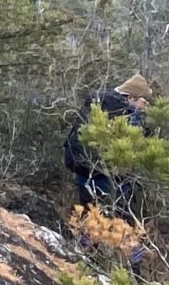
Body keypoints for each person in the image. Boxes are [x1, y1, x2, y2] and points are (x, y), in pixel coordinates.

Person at [64, 74, 155, 213]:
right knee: (115, 216)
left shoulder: (101, 103)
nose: (146, 107)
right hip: (104, 171)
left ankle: (86, 234)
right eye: (144, 102)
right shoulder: (123, 111)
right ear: (130, 97)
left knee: (91, 214)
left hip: (82, 165)